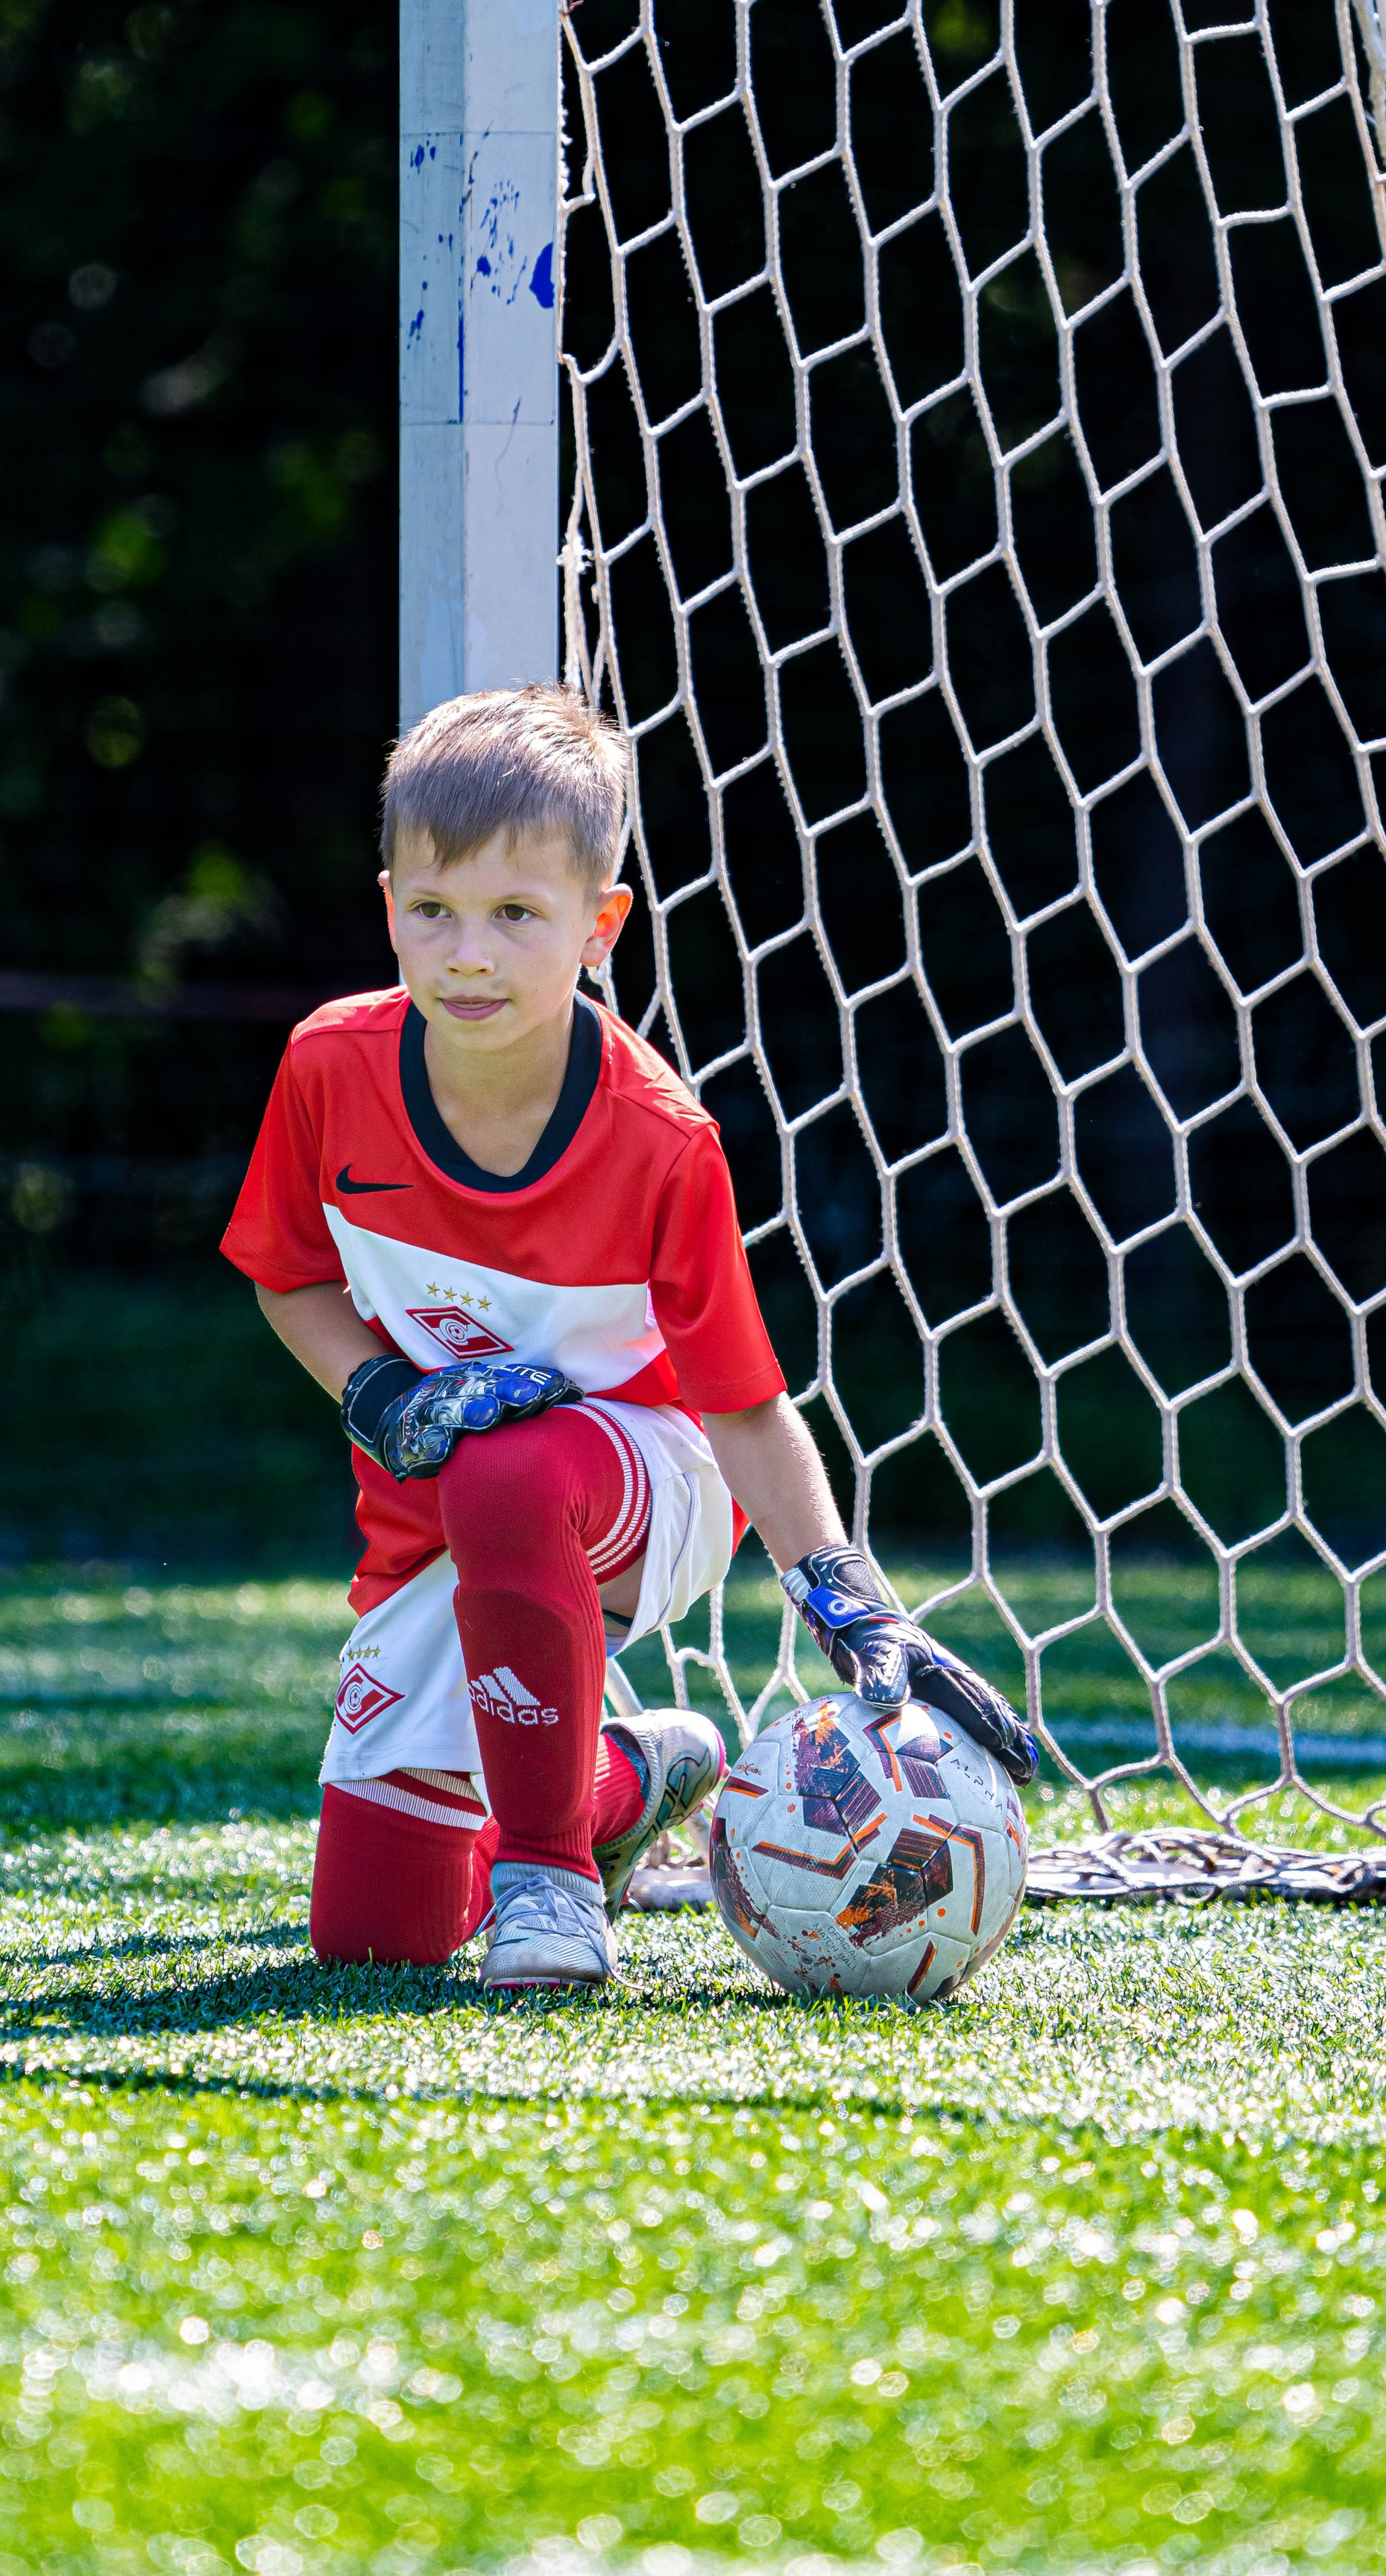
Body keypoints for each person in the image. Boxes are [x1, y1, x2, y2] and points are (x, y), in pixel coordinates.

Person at [221, 685, 1036, 1991]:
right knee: (372, 1937)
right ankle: (625, 1781)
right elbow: (287, 1277)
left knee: (513, 1467)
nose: (467, 955)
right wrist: (375, 1391)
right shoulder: (331, 1069)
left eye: (515, 917)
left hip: (653, 1482)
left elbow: (743, 1405)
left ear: (599, 929)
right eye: (432, 912)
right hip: (435, 1504)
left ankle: (548, 1878)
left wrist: (839, 1584)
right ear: (387, 909)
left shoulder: (661, 1140)